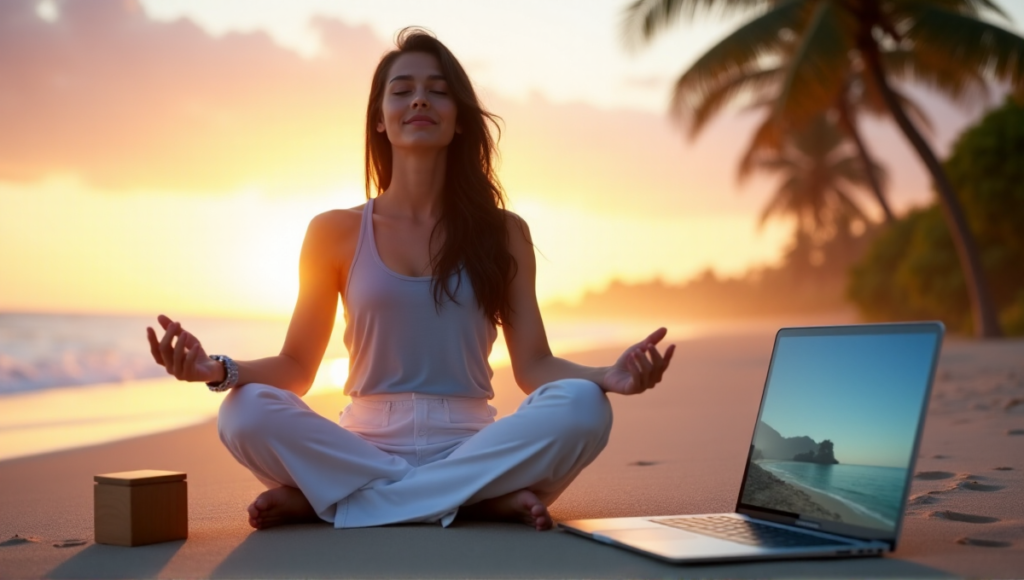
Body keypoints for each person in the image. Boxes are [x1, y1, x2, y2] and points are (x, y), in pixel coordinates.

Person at [146, 28, 674, 532]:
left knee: (583, 407)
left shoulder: (505, 233)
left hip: (472, 447)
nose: (419, 100)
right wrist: (216, 369)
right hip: (362, 448)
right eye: (402, 91)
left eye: (437, 92)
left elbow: (535, 366)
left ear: (459, 119)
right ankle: (474, 503)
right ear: (380, 119)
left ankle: (336, 502)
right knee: (242, 410)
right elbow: (297, 368)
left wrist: (608, 376)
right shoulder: (333, 231)